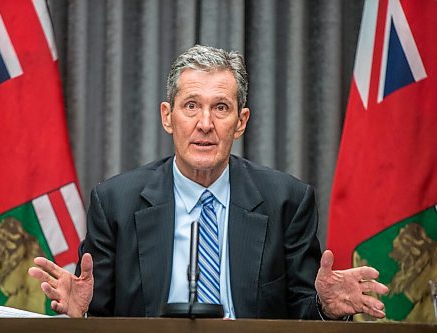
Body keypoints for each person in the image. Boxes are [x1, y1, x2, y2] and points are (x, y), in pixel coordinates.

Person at [29, 45, 388, 319]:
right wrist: (83, 315)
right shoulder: (116, 203)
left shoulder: (286, 202)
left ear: (241, 121)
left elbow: (301, 315)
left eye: (220, 108)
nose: (205, 123)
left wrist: (323, 306)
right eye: (190, 106)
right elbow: (100, 313)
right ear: (167, 117)